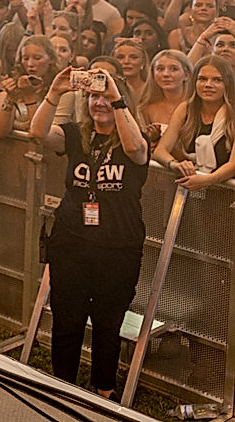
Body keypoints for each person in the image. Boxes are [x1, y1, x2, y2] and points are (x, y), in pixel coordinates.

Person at [29, 68, 148, 401]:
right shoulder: (75, 133)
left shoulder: (131, 136)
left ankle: (103, 393)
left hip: (118, 246)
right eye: (94, 97)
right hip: (71, 241)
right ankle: (62, 388)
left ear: (121, 101)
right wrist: (54, 91)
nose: (100, 103)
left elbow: (137, 150)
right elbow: (37, 132)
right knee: (67, 317)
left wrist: (116, 98)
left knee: (108, 324)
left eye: (106, 97)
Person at [155, 55, 235, 191]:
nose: (208, 85)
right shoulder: (185, 109)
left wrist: (208, 180)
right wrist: (174, 164)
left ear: (228, 84)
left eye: (217, 80)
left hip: (228, 193)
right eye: (202, 79)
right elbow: (160, 150)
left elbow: (233, 165)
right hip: (193, 189)